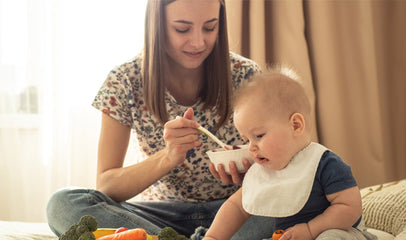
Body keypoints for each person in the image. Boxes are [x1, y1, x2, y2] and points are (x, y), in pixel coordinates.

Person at [46, 0, 275, 239]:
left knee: (294, 206)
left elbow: (283, 169)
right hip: (159, 216)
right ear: (156, 24)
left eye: (209, 27)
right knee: (63, 203)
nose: (198, 42)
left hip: (237, 212)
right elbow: (107, 186)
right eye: (182, 29)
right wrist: (167, 157)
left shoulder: (246, 75)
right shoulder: (124, 80)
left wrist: (253, 169)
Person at [201, 69, 377, 240]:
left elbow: (350, 207)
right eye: (246, 140)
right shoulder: (263, 169)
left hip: (339, 232)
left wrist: (310, 230)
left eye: (259, 136)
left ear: (295, 126)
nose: (251, 148)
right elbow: (237, 207)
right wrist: (213, 236)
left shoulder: (323, 163)